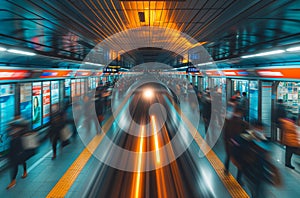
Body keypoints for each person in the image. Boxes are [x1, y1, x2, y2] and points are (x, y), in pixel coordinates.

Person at [223, 107, 249, 183]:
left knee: (228, 157)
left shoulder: (229, 121)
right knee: (240, 161)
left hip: (230, 143)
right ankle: (238, 178)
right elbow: (245, 134)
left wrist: (227, 141)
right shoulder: (243, 123)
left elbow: (225, 133)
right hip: (238, 145)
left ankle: (226, 170)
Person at [6, 117, 30, 189]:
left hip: (20, 151)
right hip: (13, 151)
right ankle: (13, 180)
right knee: (14, 166)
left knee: (22, 161)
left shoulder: (22, 132)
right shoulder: (11, 131)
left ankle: (25, 171)